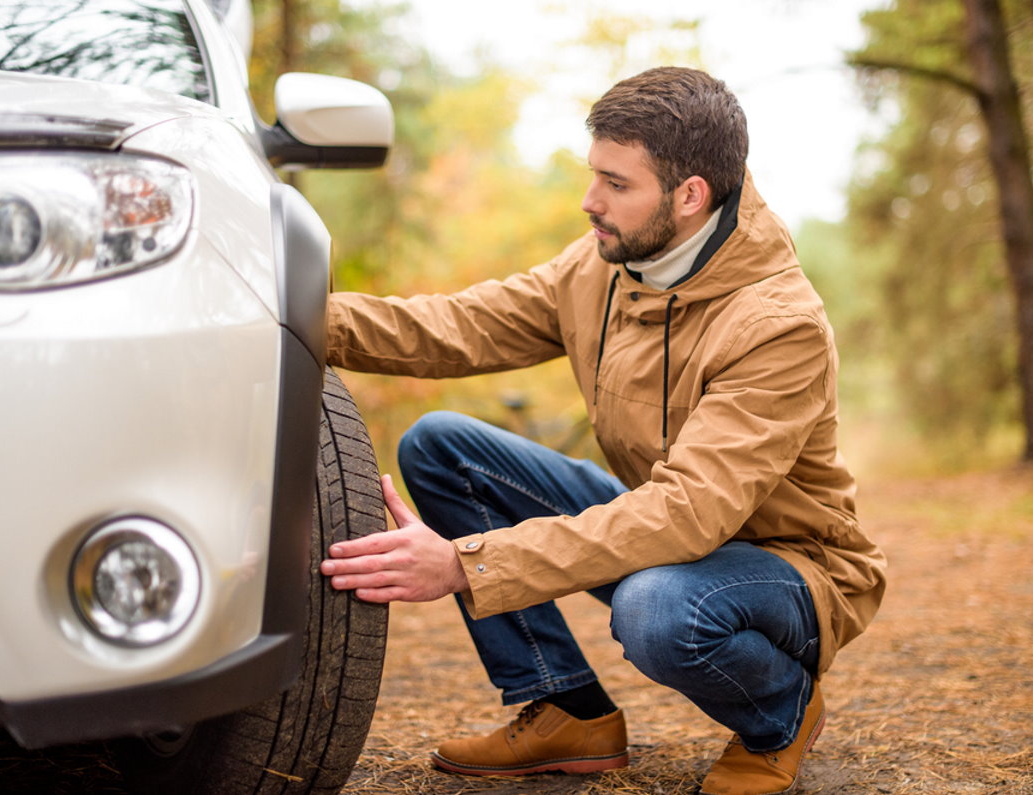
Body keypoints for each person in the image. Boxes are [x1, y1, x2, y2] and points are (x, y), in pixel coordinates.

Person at [319, 66, 886, 795]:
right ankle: (567, 708)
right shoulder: (608, 265)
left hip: (788, 566)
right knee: (441, 445)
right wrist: (300, 318)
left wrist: (467, 563)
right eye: (595, 175)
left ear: (690, 196)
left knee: (655, 608)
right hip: (665, 530)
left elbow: (688, 513)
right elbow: (456, 326)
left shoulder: (778, 325)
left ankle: (781, 713)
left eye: (617, 184)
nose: (591, 202)